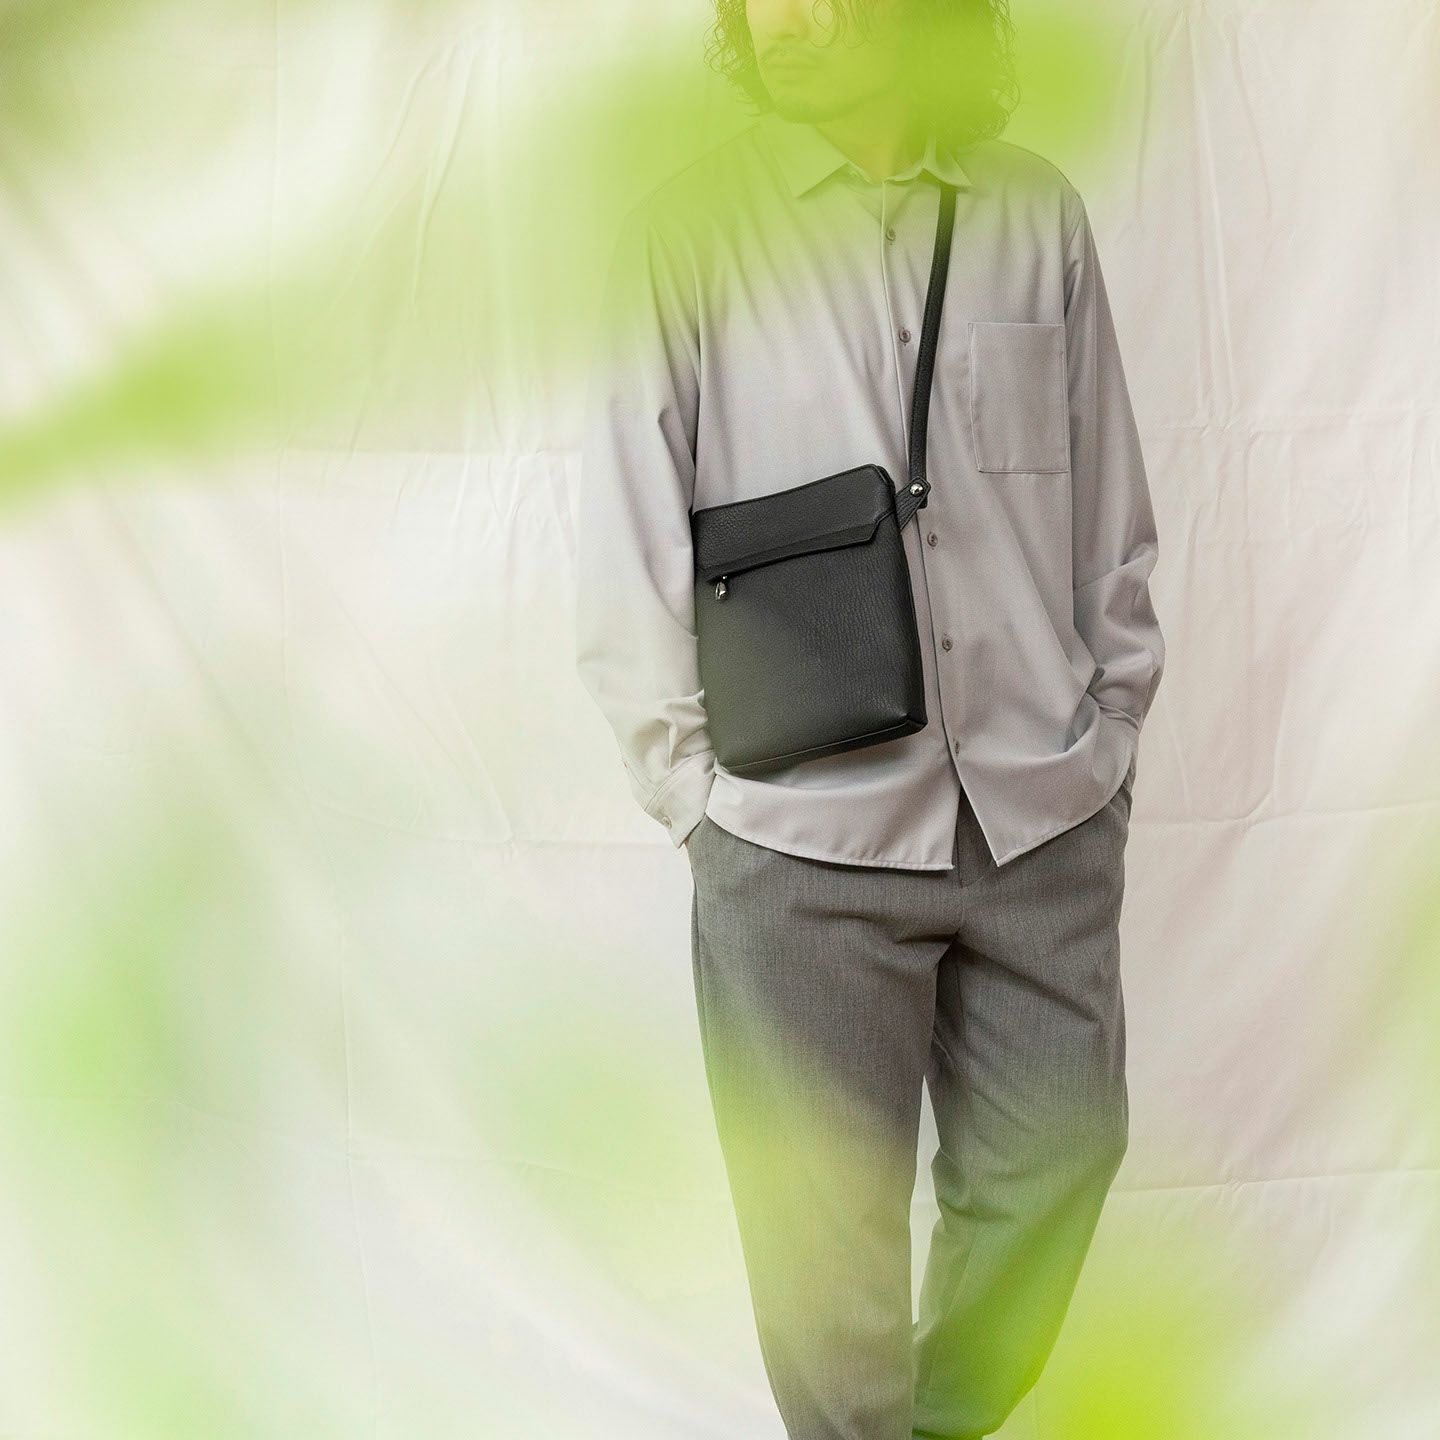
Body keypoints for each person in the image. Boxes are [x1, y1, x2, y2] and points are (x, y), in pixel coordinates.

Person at [575, 2, 1165, 1435]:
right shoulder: (683, 232)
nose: (791, 16)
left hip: (1038, 814)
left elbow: (1107, 503)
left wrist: (1108, 728)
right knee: (824, 1265)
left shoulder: (1034, 214)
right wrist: (704, 809)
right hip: (798, 838)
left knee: (1059, 1161)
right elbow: (627, 539)